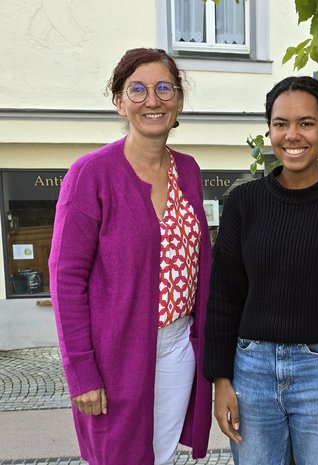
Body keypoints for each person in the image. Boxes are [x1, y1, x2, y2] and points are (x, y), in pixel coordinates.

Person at [204, 76, 318, 465]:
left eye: (306, 123)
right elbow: (223, 297)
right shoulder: (243, 204)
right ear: (268, 129)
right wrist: (221, 382)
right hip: (250, 371)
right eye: (280, 123)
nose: (292, 135)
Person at [48, 48, 212, 465]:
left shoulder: (189, 170)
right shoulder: (90, 174)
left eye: (164, 88)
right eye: (137, 89)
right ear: (119, 101)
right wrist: (81, 371)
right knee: (118, 458)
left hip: (177, 347)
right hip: (114, 354)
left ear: (178, 100)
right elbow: (66, 279)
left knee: (161, 455)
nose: (152, 100)